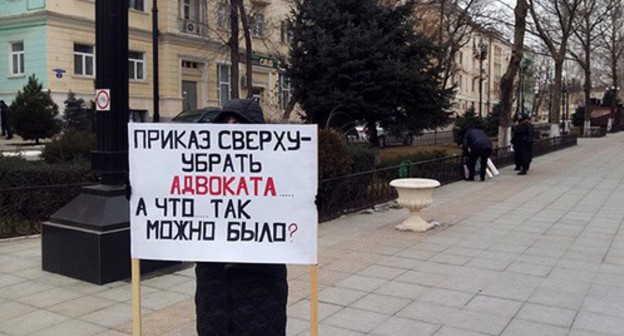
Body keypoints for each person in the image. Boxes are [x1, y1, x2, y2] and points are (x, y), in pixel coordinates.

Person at [195, 98, 288, 336]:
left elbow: (289, 222)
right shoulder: (202, 171)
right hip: (213, 286)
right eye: (226, 121)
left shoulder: (277, 172)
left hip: (259, 288)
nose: (231, 128)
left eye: (239, 122)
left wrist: (309, 203)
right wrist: (140, 193)